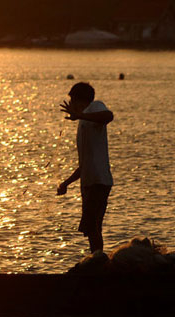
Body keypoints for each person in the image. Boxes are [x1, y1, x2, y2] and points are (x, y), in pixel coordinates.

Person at [57, 82, 114, 253]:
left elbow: (108, 116)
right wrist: (66, 183)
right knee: (91, 228)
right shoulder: (82, 123)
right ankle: (96, 259)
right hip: (89, 183)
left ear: (79, 100)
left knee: (92, 226)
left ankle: (98, 262)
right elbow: (85, 164)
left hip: (99, 181)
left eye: (73, 100)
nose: (71, 105)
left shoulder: (94, 107)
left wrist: (81, 115)